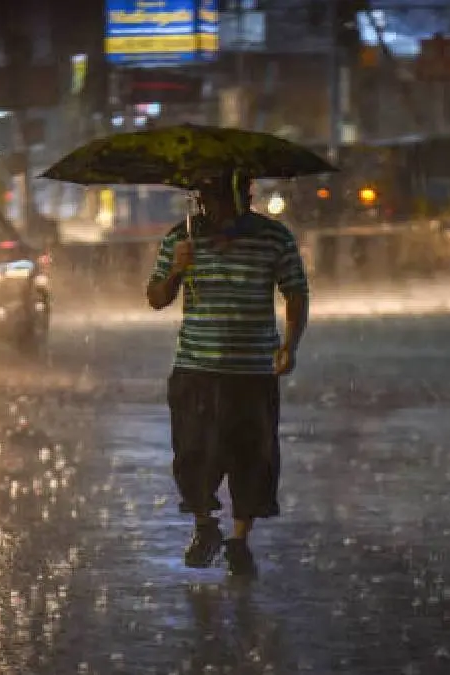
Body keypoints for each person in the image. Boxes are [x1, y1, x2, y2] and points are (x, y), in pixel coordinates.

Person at [146, 170, 310, 578]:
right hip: (195, 369)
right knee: (193, 456)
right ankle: (205, 526)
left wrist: (291, 343)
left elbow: (295, 291)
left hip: (252, 372)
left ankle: (239, 540)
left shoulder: (275, 238)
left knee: (251, 458)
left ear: (243, 195)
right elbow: (155, 298)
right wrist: (176, 270)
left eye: (221, 196)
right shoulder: (180, 239)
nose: (212, 206)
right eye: (206, 197)